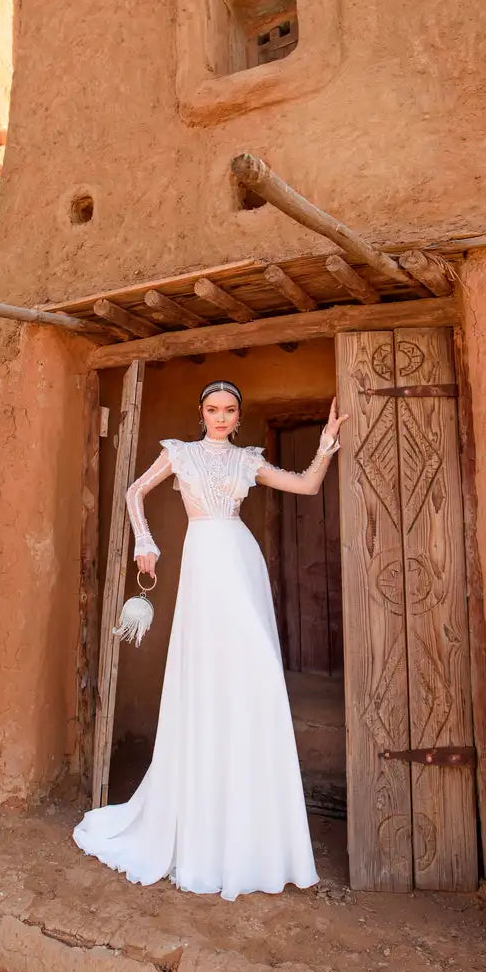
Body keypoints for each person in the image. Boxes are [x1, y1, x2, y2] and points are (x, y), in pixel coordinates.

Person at [73, 380, 348, 900]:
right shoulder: (179, 454)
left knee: (260, 678)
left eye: (229, 410)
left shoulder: (248, 460)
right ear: (201, 412)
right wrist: (146, 545)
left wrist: (326, 442)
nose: (220, 417)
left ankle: (258, 831)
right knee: (206, 683)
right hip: (204, 559)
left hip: (240, 561)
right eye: (212, 409)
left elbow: (308, 486)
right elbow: (135, 492)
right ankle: (203, 821)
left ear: (239, 416)